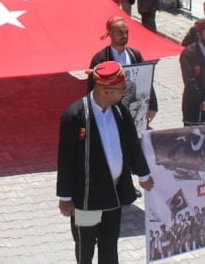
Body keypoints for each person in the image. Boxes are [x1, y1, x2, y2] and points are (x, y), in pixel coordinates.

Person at [57, 60, 154, 263]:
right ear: (105, 90)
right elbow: (65, 159)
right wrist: (65, 197)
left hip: (113, 193)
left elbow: (132, 146)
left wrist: (144, 175)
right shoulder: (75, 115)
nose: (125, 92)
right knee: (85, 248)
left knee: (109, 246)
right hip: (86, 196)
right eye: (121, 88)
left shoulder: (120, 112)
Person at [89, 16, 159, 127]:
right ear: (110, 34)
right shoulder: (100, 59)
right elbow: (92, 88)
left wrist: (152, 106)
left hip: (132, 112)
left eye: (126, 32)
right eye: (120, 32)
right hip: (109, 110)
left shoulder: (135, 55)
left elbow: (146, 79)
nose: (124, 35)